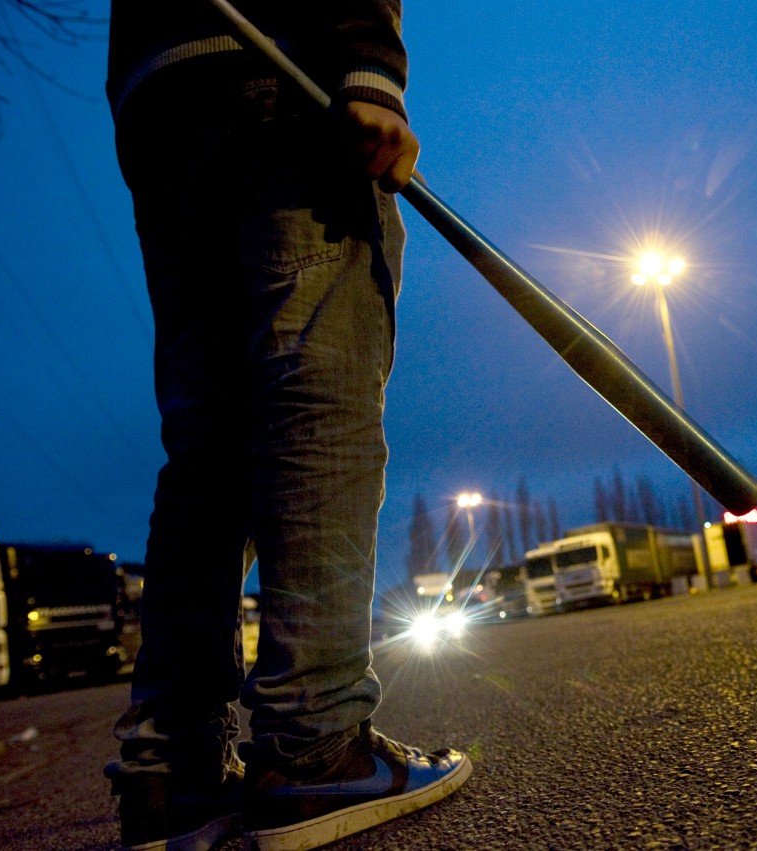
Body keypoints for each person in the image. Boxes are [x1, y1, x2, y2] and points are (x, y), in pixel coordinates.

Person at [102, 3, 471, 849]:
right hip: (277, 56)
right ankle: (315, 746)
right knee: (319, 403)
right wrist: (367, 60)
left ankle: (173, 772)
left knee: (206, 449)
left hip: (156, 94)